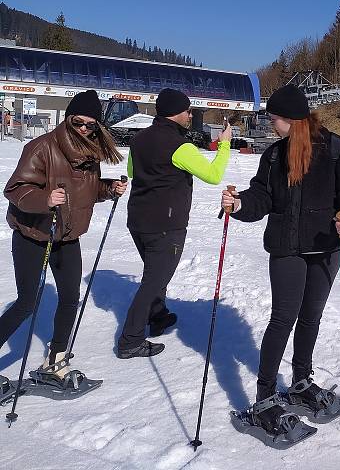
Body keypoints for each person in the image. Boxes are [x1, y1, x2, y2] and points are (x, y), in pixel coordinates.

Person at [221, 84, 340, 434]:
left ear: (291, 119)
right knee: (283, 318)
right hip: (286, 248)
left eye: (275, 119)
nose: (271, 124)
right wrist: (240, 203)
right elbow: (262, 196)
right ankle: (265, 396)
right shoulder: (274, 156)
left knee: (311, 316)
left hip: (327, 247)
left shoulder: (336, 149)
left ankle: (302, 380)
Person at [0, 90, 127, 387]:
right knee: (26, 303)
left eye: (90, 125)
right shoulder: (41, 147)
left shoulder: (89, 152)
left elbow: (85, 192)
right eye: (78, 122)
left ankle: (55, 359)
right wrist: (45, 198)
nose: (84, 129)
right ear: (68, 119)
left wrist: (108, 189)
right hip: (34, 235)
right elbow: (16, 189)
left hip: (67, 236)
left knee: (70, 297)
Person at [117, 88, 232, 359]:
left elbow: (133, 172)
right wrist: (225, 143)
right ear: (177, 113)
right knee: (154, 280)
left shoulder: (140, 139)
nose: (190, 115)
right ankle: (130, 340)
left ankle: (157, 316)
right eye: (188, 111)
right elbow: (214, 175)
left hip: (139, 221)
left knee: (155, 273)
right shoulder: (180, 146)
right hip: (165, 224)